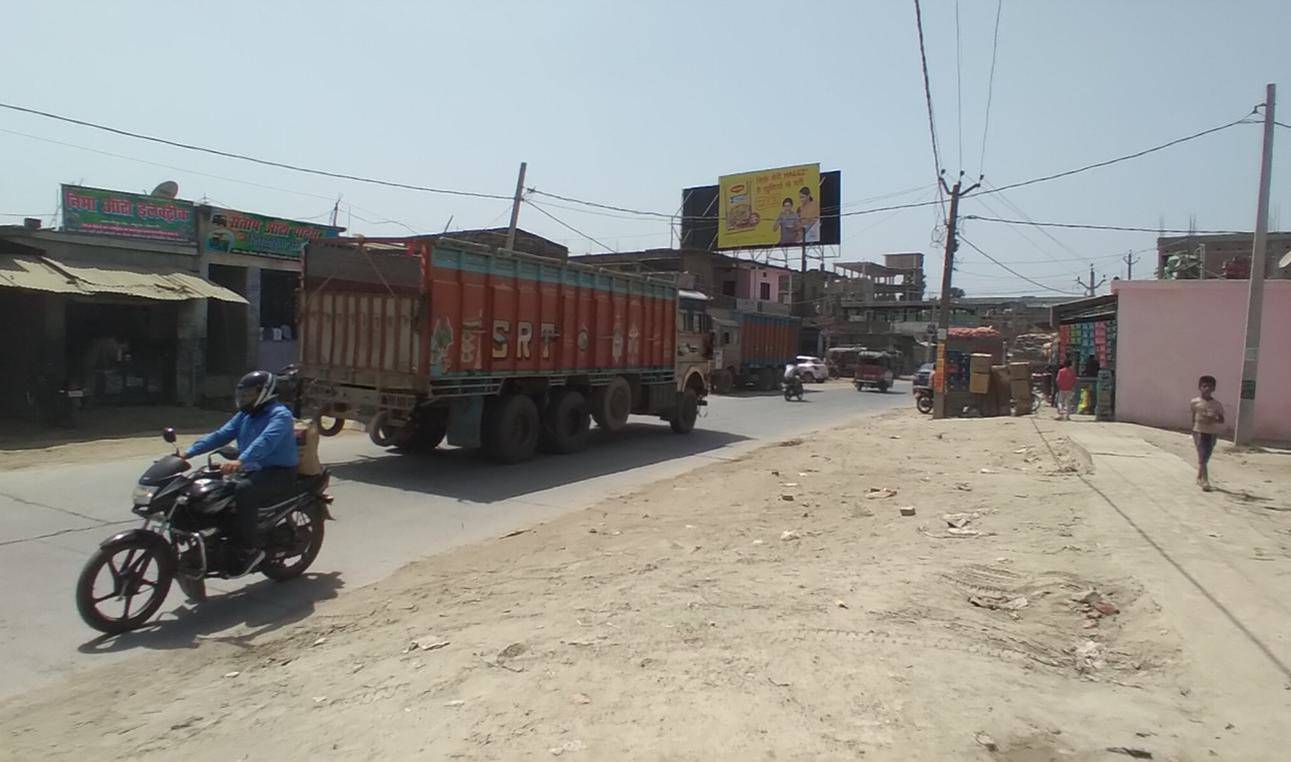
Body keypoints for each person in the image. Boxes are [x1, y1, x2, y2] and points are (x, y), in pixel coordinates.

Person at [185, 370, 299, 573]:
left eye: (250, 394)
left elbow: (266, 442)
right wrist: (188, 453)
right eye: (243, 394)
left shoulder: (280, 415)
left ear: (266, 392)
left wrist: (241, 460)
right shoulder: (244, 415)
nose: (245, 398)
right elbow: (221, 435)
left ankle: (251, 547)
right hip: (251, 469)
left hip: (278, 472)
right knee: (206, 485)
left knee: (244, 490)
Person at [1190, 375, 1225, 492]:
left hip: (1212, 433)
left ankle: (1199, 476)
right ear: (1200, 387)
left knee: (1206, 456)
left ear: (1214, 388)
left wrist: (1213, 418)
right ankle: (1205, 481)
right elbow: (1193, 416)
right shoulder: (1194, 402)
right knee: (1202, 454)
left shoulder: (1217, 405)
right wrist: (1193, 429)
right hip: (1199, 431)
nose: (1207, 389)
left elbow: (1222, 420)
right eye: (1205, 386)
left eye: (1210, 386)